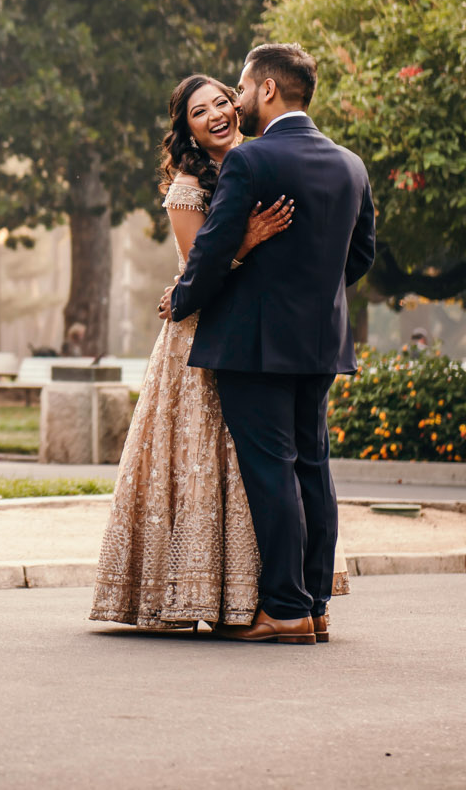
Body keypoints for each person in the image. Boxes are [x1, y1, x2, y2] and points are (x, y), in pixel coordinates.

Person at [156, 43, 376, 644]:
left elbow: (207, 256)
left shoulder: (250, 164)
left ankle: (283, 608)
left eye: (243, 89)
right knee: (313, 468)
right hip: (321, 342)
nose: (238, 99)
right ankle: (316, 605)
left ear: (268, 91)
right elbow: (359, 258)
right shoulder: (351, 165)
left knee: (271, 472)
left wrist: (182, 301)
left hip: (252, 344)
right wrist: (309, 297)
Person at [88, 74, 294, 633]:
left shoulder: (260, 162)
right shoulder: (187, 185)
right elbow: (196, 268)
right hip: (199, 335)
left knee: (251, 463)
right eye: (200, 113)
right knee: (203, 459)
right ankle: (195, 593)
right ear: (187, 130)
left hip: (255, 334)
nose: (217, 115)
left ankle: (256, 596)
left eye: (223, 102)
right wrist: (247, 240)